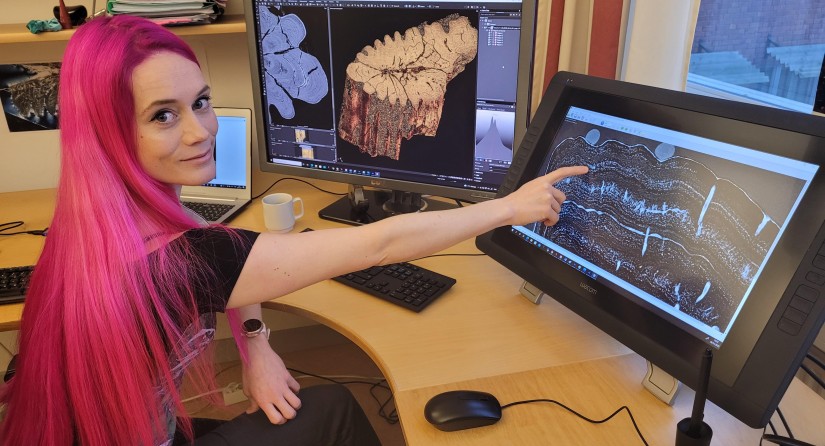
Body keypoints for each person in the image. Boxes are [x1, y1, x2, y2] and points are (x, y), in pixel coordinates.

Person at [0, 15, 588, 446]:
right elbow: (379, 243)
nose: (201, 131)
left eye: (200, 102)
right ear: (110, 132)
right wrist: (508, 207)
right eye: (163, 116)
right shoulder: (177, 260)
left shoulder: (92, 225)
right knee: (333, 405)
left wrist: (255, 341)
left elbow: (232, 266)